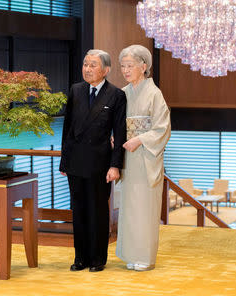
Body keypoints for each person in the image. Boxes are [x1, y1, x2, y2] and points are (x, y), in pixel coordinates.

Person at [60, 49, 127, 272]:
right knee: (78, 211)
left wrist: (115, 165)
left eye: (93, 65)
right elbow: (67, 128)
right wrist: (64, 161)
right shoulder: (76, 90)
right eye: (85, 64)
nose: (87, 69)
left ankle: (98, 259)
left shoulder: (116, 95)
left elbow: (120, 134)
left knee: (98, 211)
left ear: (106, 70)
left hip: (100, 163)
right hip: (76, 162)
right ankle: (80, 258)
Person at [116, 44, 171, 271]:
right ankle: (131, 253)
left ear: (144, 66)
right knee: (129, 207)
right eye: (122, 66)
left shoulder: (154, 94)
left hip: (145, 157)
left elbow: (162, 128)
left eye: (130, 65)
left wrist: (138, 140)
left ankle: (146, 257)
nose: (125, 70)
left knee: (145, 208)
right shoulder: (124, 93)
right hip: (128, 158)